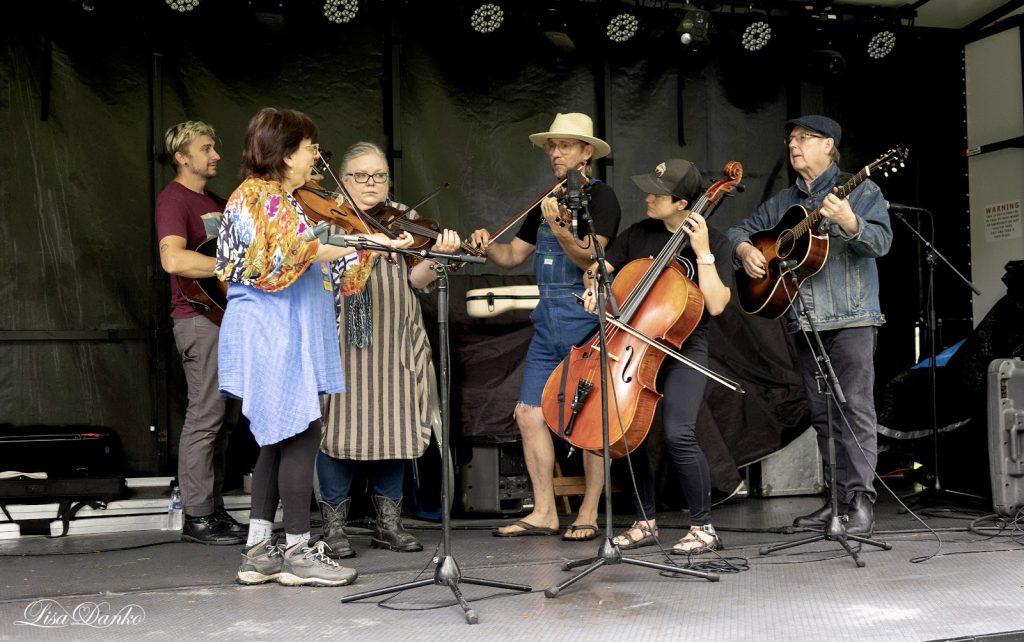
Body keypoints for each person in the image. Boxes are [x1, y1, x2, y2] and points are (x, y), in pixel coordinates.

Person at [217, 107, 413, 587]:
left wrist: (367, 246)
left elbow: (327, 268)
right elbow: (297, 253)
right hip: (274, 329)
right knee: (302, 432)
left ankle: (260, 552)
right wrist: (366, 243)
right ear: (284, 154)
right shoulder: (261, 196)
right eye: (309, 150)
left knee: (275, 438)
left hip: (284, 326)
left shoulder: (280, 200)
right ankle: (300, 551)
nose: (314, 160)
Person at [727, 115, 892, 536]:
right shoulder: (784, 203)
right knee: (822, 415)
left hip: (853, 318)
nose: (794, 144)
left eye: (805, 138)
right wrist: (746, 249)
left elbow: (880, 242)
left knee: (855, 409)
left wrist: (849, 221)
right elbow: (737, 230)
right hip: (807, 322)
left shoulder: (864, 189)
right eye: (791, 139)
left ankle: (860, 502)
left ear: (829, 147)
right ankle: (835, 503)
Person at [469, 113, 622, 541]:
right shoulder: (545, 200)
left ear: (586, 152)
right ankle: (544, 511)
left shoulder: (602, 197)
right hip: (547, 326)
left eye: (566, 146)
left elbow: (592, 259)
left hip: (585, 322)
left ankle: (589, 510)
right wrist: (484, 246)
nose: (556, 153)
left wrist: (559, 226)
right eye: (552, 146)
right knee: (528, 414)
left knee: (593, 421)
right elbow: (512, 256)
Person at [316, 141, 463, 558]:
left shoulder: (405, 219)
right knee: (337, 429)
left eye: (378, 175)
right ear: (342, 181)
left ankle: (388, 523)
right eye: (360, 175)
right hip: (343, 336)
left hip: (395, 336)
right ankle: (333, 527)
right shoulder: (328, 216)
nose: (371, 183)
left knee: (394, 426)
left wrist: (437, 256)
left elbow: (416, 280)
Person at [581, 159, 731, 555]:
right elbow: (600, 268)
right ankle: (644, 521)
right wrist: (596, 284)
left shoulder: (713, 241)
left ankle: (704, 527)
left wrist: (702, 253)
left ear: (682, 203)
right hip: (634, 346)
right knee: (626, 434)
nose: (647, 197)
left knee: (678, 432)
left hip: (682, 348)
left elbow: (716, 305)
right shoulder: (639, 234)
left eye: (656, 194)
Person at [155, 120, 245, 546]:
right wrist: (233, 268)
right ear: (182, 156)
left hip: (225, 319)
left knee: (225, 420)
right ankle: (196, 514)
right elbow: (173, 260)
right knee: (206, 415)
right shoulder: (174, 200)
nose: (216, 155)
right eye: (206, 148)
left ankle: (213, 508)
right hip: (197, 318)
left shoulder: (215, 201)